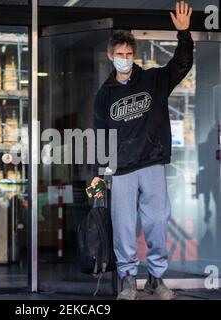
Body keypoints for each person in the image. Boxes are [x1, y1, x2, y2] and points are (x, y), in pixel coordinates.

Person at [91, 1, 193, 300]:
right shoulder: (104, 95)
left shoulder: (153, 80)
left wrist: (184, 34)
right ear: (111, 56)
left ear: (134, 55)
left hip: (151, 163)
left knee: (157, 222)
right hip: (120, 170)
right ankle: (126, 279)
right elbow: (100, 135)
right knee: (123, 227)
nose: (124, 58)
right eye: (119, 54)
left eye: (128, 54)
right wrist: (101, 176)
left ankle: (155, 278)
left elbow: (181, 64)